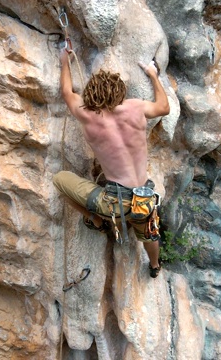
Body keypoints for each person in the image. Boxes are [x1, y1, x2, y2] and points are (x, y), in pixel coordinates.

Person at [53, 50, 170, 278]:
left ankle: (96, 220)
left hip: (113, 204)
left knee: (60, 181)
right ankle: (155, 266)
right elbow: (164, 107)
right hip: (143, 199)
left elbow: (67, 92)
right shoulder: (135, 108)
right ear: (119, 93)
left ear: (91, 96)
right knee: (149, 234)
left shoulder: (87, 114)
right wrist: (153, 75)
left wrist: (64, 61)